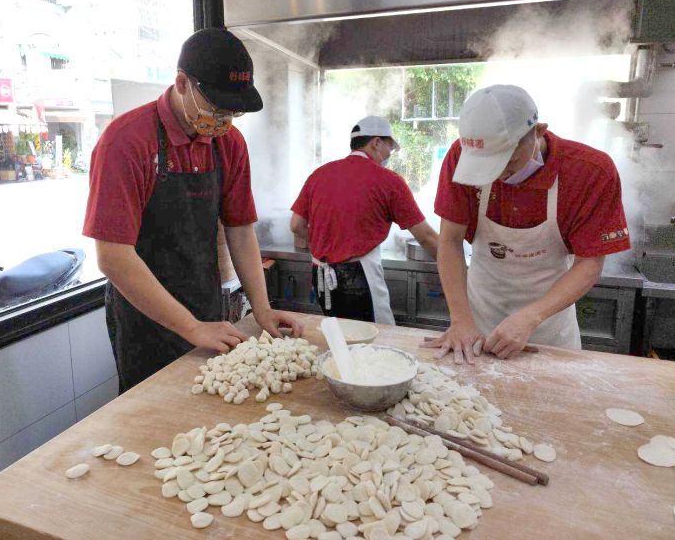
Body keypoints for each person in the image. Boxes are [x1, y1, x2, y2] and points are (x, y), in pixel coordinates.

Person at [83, 28, 303, 393]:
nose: (223, 122)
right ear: (182, 83)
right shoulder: (126, 141)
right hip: (145, 317)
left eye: (232, 112)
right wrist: (189, 327)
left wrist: (261, 308)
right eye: (216, 108)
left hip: (204, 300)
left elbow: (240, 229)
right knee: (154, 415)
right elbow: (113, 256)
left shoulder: (228, 143)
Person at [427, 85, 630, 363]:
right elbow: (449, 241)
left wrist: (530, 317)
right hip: (476, 325)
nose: (497, 174)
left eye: (507, 161)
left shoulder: (590, 171)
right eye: (487, 167)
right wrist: (461, 320)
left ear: (538, 131)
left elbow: (590, 263)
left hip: (549, 327)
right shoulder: (461, 156)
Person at [290, 116, 439, 324]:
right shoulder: (389, 180)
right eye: (389, 147)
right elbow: (426, 236)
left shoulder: (319, 174)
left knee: (340, 338)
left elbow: (296, 225)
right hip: (359, 276)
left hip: (320, 275)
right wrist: (456, 267)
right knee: (378, 340)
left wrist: (326, 241)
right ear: (376, 143)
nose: (389, 155)